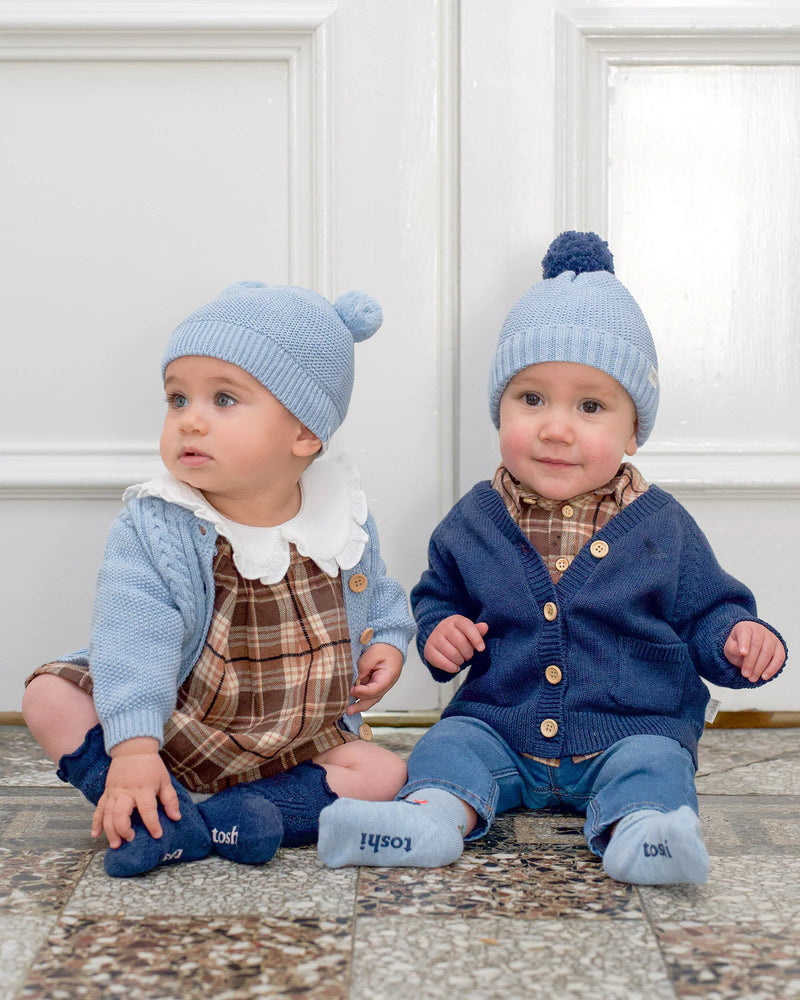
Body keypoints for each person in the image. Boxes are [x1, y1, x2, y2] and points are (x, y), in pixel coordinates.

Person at [317, 231, 787, 885]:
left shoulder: (663, 528)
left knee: (657, 763)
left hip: (630, 726)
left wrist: (738, 638)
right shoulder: (475, 520)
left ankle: (646, 832)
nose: (556, 427)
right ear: (500, 407)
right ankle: (428, 817)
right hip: (502, 724)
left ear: (632, 431)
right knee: (449, 745)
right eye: (531, 399)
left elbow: (708, 609)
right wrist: (442, 630)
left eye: (590, 406)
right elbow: (438, 595)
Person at [23, 281, 415, 878]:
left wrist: (387, 637)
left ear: (305, 432)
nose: (190, 422)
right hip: (172, 724)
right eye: (177, 399)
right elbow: (133, 638)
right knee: (48, 696)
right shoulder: (161, 523)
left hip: (293, 737)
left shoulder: (337, 514)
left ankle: (220, 820)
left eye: (223, 400)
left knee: (384, 773)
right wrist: (132, 749)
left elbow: (376, 587)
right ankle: (145, 798)